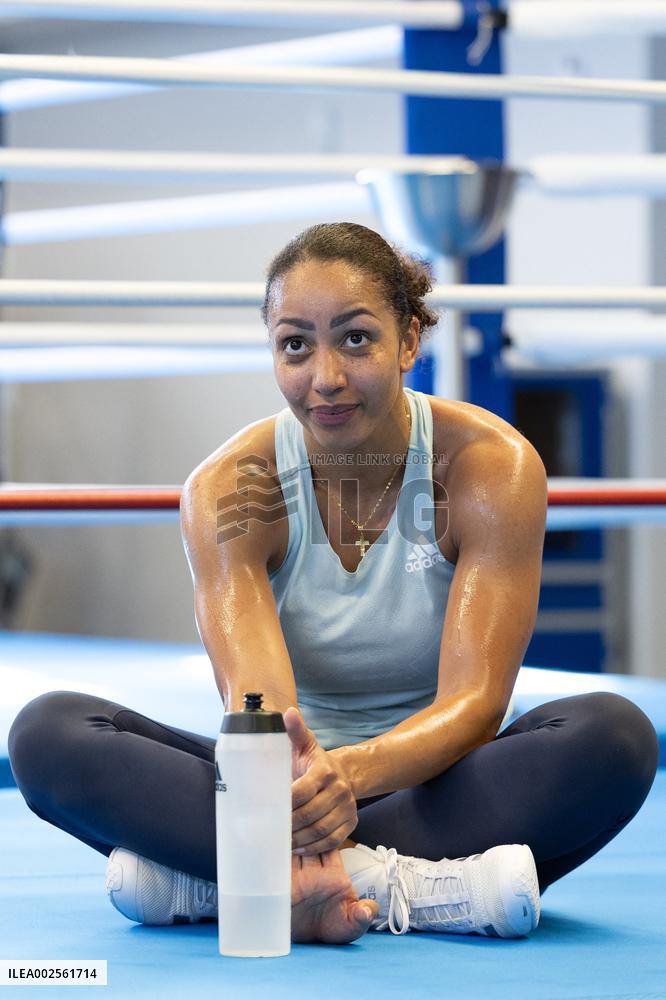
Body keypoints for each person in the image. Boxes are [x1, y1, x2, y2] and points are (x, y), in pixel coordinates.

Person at [8, 223, 659, 946]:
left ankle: (231, 883)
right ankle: (409, 889)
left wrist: (346, 777)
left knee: (615, 737)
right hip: (282, 786)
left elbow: (475, 706)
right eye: (296, 344)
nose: (325, 377)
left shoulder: (488, 469)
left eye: (355, 339)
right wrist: (298, 790)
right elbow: (262, 718)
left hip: (435, 785)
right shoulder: (231, 487)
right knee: (48, 732)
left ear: (409, 340)